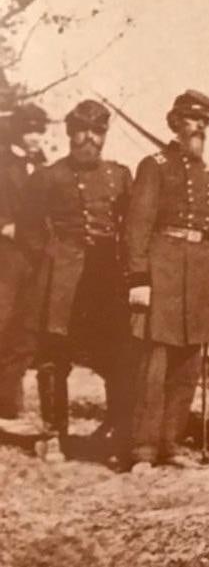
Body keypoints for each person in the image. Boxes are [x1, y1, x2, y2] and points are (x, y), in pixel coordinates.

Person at [17, 100, 133, 462]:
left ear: (104, 135)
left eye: (97, 131)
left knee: (116, 356)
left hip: (105, 281)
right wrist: (51, 265)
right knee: (54, 358)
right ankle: (54, 434)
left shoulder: (120, 175)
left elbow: (131, 227)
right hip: (62, 280)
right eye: (82, 130)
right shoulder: (49, 177)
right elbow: (29, 231)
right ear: (69, 133)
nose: (89, 138)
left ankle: (116, 427)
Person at [125, 90, 209, 471]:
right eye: (191, 119)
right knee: (154, 365)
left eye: (204, 121)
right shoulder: (154, 165)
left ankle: (170, 445)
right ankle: (143, 451)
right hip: (163, 270)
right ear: (174, 123)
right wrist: (139, 278)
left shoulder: (207, 171)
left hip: (198, 273)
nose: (199, 126)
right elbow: (138, 226)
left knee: (188, 365)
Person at [0, 102, 48, 419]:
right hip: (6, 255)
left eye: (38, 130)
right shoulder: (3, 163)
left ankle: (7, 405)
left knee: (26, 330)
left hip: (35, 256)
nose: (35, 137)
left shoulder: (42, 166)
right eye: (29, 130)